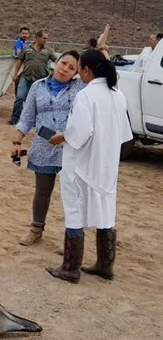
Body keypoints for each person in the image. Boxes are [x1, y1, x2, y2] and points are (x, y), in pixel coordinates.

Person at [46, 49, 132, 284]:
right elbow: (124, 134)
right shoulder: (118, 95)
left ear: (86, 70)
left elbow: (79, 134)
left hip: (81, 166)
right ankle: (105, 265)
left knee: (74, 213)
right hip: (106, 168)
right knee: (106, 214)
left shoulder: (86, 95)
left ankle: (70, 268)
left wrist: (60, 137)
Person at [11, 51, 83, 246]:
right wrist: (17, 141)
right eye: (63, 63)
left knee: (73, 195)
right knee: (42, 190)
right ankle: (36, 229)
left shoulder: (80, 88)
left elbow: (107, 78)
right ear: (55, 63)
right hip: (43, 147)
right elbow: (27, 117)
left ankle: (73, 238)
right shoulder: (37, 86)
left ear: (77, 72)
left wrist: (102, 48)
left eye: (71, 68)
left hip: (71, 149)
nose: (65, 69)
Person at [8, 30, 58, 125]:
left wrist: (55, 72)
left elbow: (57, 61)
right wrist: (15, 75)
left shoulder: (48, 50)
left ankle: (35, 121)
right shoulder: (26, 48)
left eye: (47, 38)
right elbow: (19, 62)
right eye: (44, 38)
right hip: (26, 77)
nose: (45, 40)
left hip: (40, 80)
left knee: (38, 101)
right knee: (20, 97)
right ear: (37, 38)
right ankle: (14, 118)